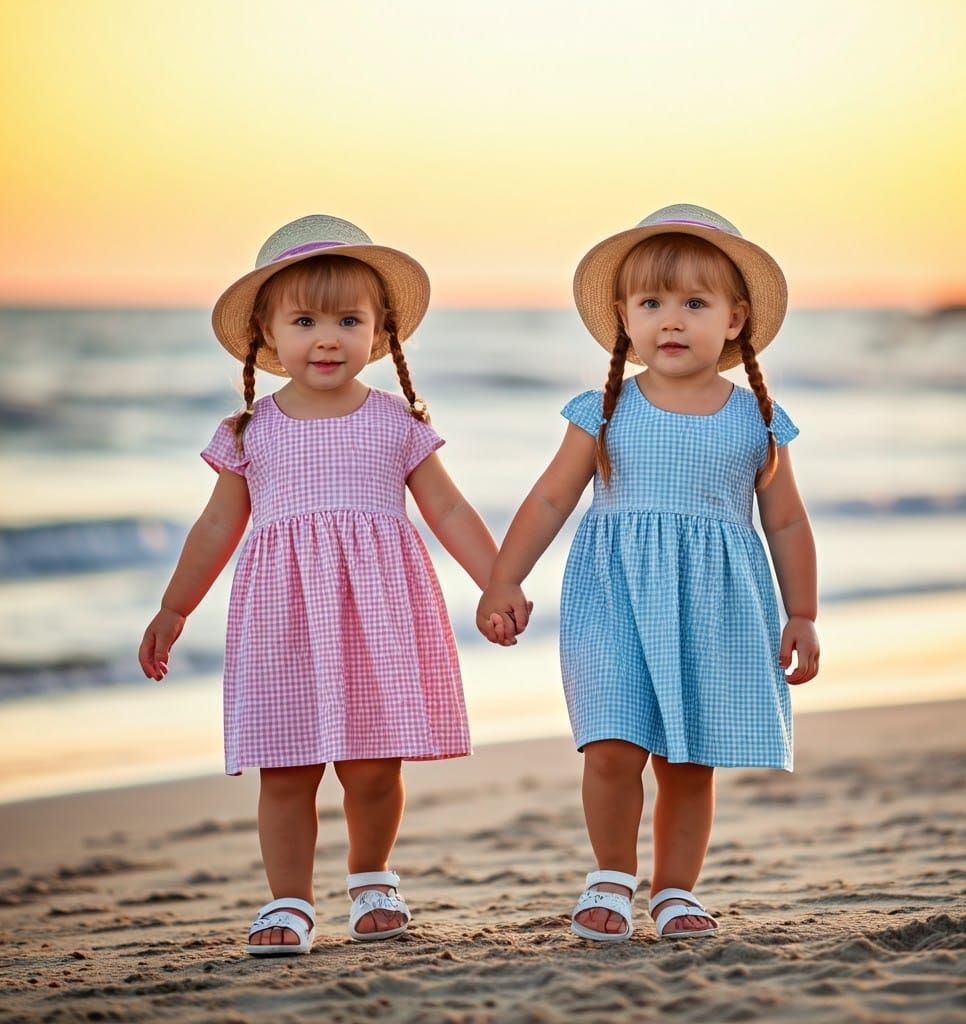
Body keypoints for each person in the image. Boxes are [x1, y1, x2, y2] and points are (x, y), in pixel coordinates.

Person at [139, 215, 499, 953]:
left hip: (377, 617)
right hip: (282, 619)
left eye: (347, 319)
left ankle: (372, 877)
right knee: (286, 768)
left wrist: (498, 582)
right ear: (267, 337)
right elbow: (215, 528)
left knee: (372, 766)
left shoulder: (397, 422)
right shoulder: (250, 432)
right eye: (304, 321)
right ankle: (288, 902)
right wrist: (175, 608)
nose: (327, 337)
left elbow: (450, 508)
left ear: (382, 332)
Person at [476, 204, 819, 941]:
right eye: (652, 303)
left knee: (688, 761)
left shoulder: (756, 418)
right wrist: (504, 579)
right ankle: (610, 875)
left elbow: (786, 521)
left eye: (694, 303)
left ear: (734, 320)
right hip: (615, 600)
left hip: (716, 606)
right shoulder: (604, 410)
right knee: (610, 742)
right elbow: (550, 496)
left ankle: (675, 890)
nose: (671, 319)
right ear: (624, 321)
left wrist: (803, 614)